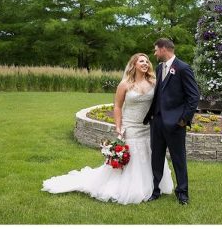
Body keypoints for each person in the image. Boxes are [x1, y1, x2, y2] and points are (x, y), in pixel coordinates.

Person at [41, 53, 174, 204]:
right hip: (130, 125)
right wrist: (118, 126)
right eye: (141, 61)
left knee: (150, 154)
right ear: (134, 65)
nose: (145, 63)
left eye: (147, 61)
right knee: (134, 155)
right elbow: (117, 107)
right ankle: (133, 189)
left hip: (148, 126)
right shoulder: (125, 84)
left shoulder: (154, 82)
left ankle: (153, 186)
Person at [144, 38, 200, 205]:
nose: (154, 53)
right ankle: (155, 190)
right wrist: (152, 117)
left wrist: (184, 120)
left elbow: (194, 96)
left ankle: (182, 193)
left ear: (163, 49)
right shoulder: (160, 67)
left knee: (178, 159)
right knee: (156, 158)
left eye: (155, 50)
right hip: (157, 122)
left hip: (176, 124)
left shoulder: (183, 68)